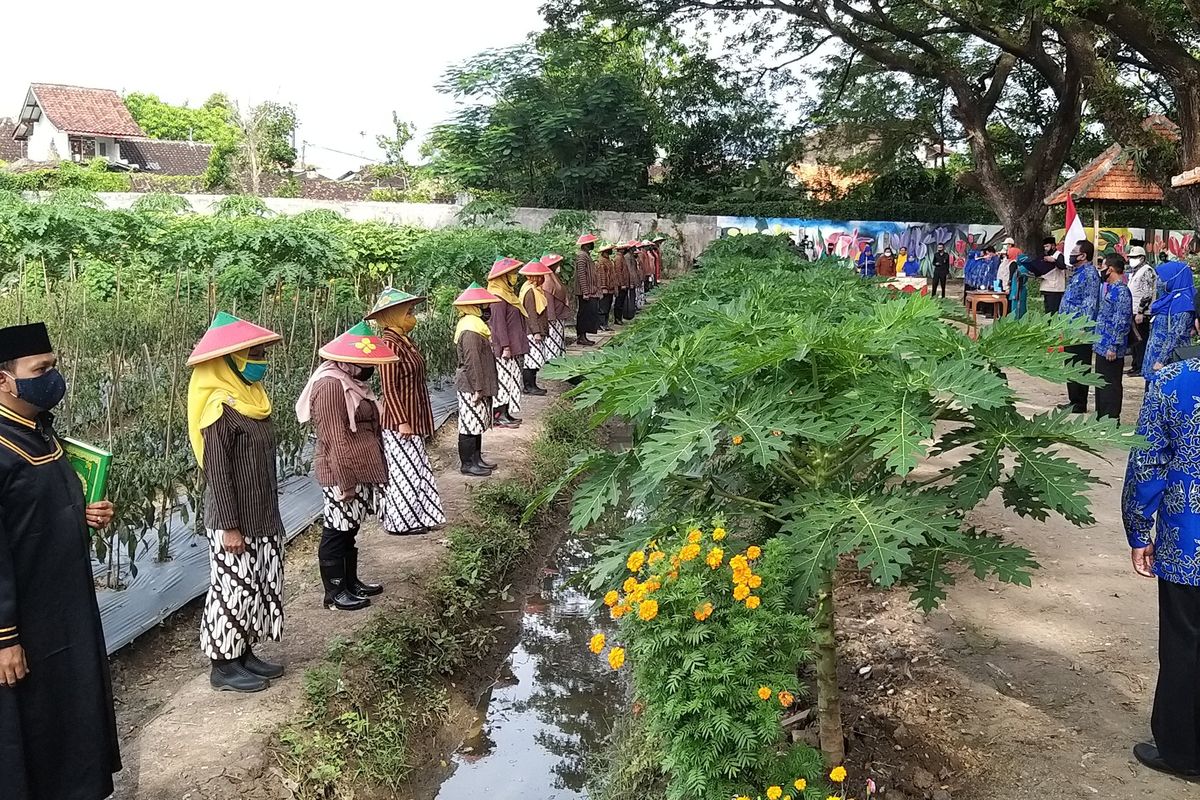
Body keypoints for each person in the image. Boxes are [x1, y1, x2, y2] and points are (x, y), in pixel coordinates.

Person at [0, 322, 121, 800]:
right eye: (40, 369)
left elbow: (46, 507)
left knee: (73, 710)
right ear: (4, 381)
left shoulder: (41, 432)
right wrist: (5, 637)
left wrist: (87, 511)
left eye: (53, 366)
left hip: (66, 602)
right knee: (34, 724)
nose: (52, 376)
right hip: (25, 619)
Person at [187, 312, 286, 693]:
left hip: (260, 510)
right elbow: (218, 472)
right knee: (233, 588)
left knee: (256, 584)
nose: (260, 360)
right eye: (252, 354)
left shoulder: (253, 398)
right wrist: (229, 525)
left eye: (260, 352)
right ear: (225, 362)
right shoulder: (217, 408)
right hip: (233, 517)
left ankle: (244, 653)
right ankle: (223, 665)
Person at [1123, 355, 1200, 780]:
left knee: (1184, 643)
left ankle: (1183, 752)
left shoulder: (1173, 379)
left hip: (1187, 540)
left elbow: (1147, 461)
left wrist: (1138, 531)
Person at [296, 322, 396, 612]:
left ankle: (351, 582)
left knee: (349, 527)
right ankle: (335, 592)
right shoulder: (329, 385)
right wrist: (346, 482)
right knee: (336, 530)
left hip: (357, 467)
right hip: (340, 471)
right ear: (347, 361)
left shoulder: (352, 384)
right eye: (364, 362)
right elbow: (334, 437)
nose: (369, 367)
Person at [365, 289, 446, 538]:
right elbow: (389, 388)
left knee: (418, 467)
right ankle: (400, 522)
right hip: (399, 421)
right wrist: (401, 421)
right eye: (408, 313)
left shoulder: (406, 342)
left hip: (415, 414)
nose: (412, 317)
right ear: (392, 316)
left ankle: (422, 515)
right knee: (404, 471)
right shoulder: (389, 344)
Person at [453, 283, 502, 476]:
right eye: (482, 305)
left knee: (477, 422)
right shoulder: (470, 330)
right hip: (470, 385)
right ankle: (467, 464)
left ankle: (476, 459)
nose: (486, 309)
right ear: (473, 307)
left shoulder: (476, 326)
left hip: (474, 384)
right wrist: (478, 388)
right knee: (468, 424)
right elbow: (472, 362)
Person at [1059, 240, 1102, 414]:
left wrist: (1083, 327)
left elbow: (1090, 303)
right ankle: (1073, 400)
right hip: (1069, 327)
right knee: (1070, 364)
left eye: (1075, 251)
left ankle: (1079, 402)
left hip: (1080, 329)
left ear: (1083, 255)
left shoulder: (1090, 274)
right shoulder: (1078, 273)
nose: (1072, 254)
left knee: (1079, 364)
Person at [487, 256, 529, 428]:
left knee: (511, 379)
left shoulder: (508, 294)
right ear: (502, 277)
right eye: (511, 274)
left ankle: (506, 412)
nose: (514, 276)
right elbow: (498, 325)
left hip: (513, 344)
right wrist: (504, 346)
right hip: (504, 347)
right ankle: (498, 414)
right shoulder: (497, 297)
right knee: (503, 380)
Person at [1092, 254, 1133, 420]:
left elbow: (1121, 321)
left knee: (1111, 385)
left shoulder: (1122, 291)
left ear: (1110, 269)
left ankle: (1110, 418)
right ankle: (1101, 416)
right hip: (1102, 345)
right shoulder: (1112, 289)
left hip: (1111, 348)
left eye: (1103, 267)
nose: (1101, 270)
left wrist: (1113, 346)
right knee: (1101, 383)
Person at [1143, 260, 1197, 382]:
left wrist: (1161, 360)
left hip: (1169, 363)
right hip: (1154, 357)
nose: (1159, 281)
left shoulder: (1184, 304)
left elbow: (1175, 335)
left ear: (1173, 277)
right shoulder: (1166, 299)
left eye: (1162, 278)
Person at [519, 258, 552, 395]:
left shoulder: (535, 290)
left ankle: (532, 384)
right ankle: (529, 385)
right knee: (531, 361)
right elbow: (531, 314)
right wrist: (536, 332)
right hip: (531, 332)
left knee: (536, 359)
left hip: (534, 330)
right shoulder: (530, 291)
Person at [1127, 246, 1156, 376]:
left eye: (1134, 257)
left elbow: (1147, 293)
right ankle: (1135, 365)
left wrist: (1140, 311)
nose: (1131, 260)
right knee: (1134, 342)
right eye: (1130, 258)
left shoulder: (1147, 271)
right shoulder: (1134, 272)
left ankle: (1140, 367)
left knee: (1141, 341)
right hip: (1132, 310)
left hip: (1142, 312)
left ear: (1142, 258)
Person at [540, 253, 571, 359]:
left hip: (559, 316)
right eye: (556, 264)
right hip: (553, 318)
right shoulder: (547, 281)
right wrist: (551, 317)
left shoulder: (554, 278)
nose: (559, 266)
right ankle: (553, 360)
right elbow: (549, 301)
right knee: (553, 340)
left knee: (559, 339)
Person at [573, 234, 600, 346]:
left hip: (589, 291)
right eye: (590, 243)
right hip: (585, 292)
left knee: (588, 314)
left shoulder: (586, 256)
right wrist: (585, 292)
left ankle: (584, 336)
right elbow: (581, 275)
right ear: (586, 245)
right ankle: (581, 337)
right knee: (584, 314)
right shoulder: (582, 256)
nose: (592, 245)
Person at [1037, 236, 1067, 313]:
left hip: (1055, 289)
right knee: (1047, 311)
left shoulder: (1059, 255)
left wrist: (1054, 260)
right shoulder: (1044, 256)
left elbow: (1062, 266)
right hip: (1046, 287)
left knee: (1053, 312)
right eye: (1044, 247)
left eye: (1047, 246)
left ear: (1053, 246)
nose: (1045, 248)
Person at [596, 242, 617, 331]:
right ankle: (601, 324)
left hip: (610, 287)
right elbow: (602, 276)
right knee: (603, 307)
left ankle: (605, 323)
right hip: (605, 289)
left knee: (607, 307)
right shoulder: (601, 262)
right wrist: (603, 287)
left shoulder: (608, 261)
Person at [1008, 254, 1033, 319]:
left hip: (1015, 292)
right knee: (1019, 312)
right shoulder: (1024, 269)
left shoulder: (1020, 268)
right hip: (1019, 293)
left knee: (1014, 311)